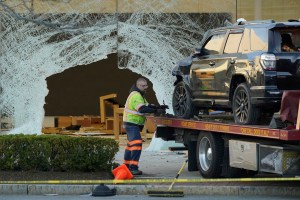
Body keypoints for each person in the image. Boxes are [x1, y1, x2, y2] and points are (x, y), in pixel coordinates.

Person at [123, 78, 165, 175]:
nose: (145, 87)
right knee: (137, 144)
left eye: (146, 85)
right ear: (137, 85)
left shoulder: (139, 95)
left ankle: (126, 166)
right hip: (132, 123)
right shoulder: (136, 95)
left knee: (131, 145)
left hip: (132, 124)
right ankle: (133, 168)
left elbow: (147, 105)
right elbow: (142, 109)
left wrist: (157, 107)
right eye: (143, 86)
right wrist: (156, 111)